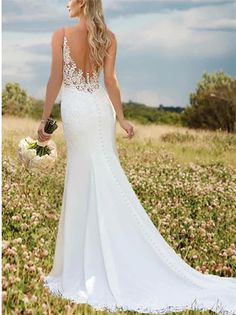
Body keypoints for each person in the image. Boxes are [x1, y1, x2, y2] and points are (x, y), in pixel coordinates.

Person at [39, 1, 236, 314]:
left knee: (81, 178)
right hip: (100, 110)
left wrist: (45, 120)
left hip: (76, 110)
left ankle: (84, 263)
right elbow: (111, 82)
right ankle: (107, 251)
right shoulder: (109, 37)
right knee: (104, 173)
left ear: (83, 2)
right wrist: (121, 118)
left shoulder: (60, 35)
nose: (65, 3)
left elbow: (55, 80)